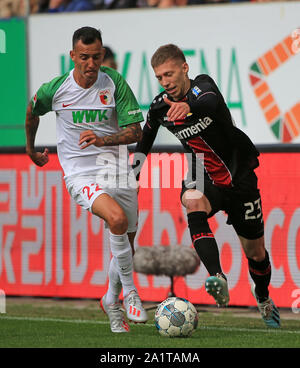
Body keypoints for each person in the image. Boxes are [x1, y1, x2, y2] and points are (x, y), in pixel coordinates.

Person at [134, 44, 280, 328]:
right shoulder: (161, 107)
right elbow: (146, 138)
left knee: (256, 253)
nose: (165, 82)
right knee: (191, 199)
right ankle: (218, 277)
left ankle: (263, 298)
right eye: (160, 77)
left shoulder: (202, 87)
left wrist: (189, 105)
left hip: (240, 177)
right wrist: (133, 173)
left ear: (184, 68)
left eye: (169, 74)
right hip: (202, 175)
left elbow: (210, 101)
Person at [25, 26, 148, 333]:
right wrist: (30, 149)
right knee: (117, 220)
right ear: (72, 57)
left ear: (102, 54)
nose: (91, 64)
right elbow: (32, 110)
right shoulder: (57, 89)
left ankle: (110, 298)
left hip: (117, 168)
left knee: (127, 245)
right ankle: (131, 293)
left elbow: (136, 132)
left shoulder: (113, 82)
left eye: (97, 57)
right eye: (84, 58)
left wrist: (102, 141)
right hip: (80, 173)